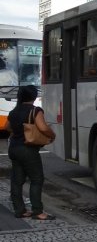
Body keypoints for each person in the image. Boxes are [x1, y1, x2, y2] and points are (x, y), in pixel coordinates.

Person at [2, 85, 56, 220]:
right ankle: (38, 211)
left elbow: (7, 127)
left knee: (17, 180)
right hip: (28, 149)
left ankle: (20, 210)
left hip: (13, 148)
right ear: (33, 97)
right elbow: (43, 127)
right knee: (36, 179)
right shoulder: (35, 110)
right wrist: (52, 134)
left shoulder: (14, 111)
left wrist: (18, 131)